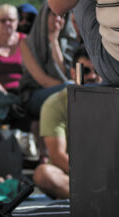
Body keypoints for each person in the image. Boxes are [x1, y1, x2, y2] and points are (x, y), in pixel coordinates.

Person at [33, 48, 101, 199]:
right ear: (73, 74)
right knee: (43, 174)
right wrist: (93, 178)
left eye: (97, 70)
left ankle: (92, 196)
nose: (92, 76)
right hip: (72, 175)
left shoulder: (114, 102)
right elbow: (58, 156)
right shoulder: (55, 105)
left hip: (106, 172)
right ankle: (94, 197)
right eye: (86, 71)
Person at [19, 1, 78, 119]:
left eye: (63, 16)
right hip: (34, 94)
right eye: (54, 15)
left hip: (64, 90)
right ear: (43, 16)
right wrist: (69, 86)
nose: (58, 19)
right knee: (73, 93)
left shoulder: (70, 43)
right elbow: (42, 80)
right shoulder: (26, 43)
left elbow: (66, 73)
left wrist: (54, 41)